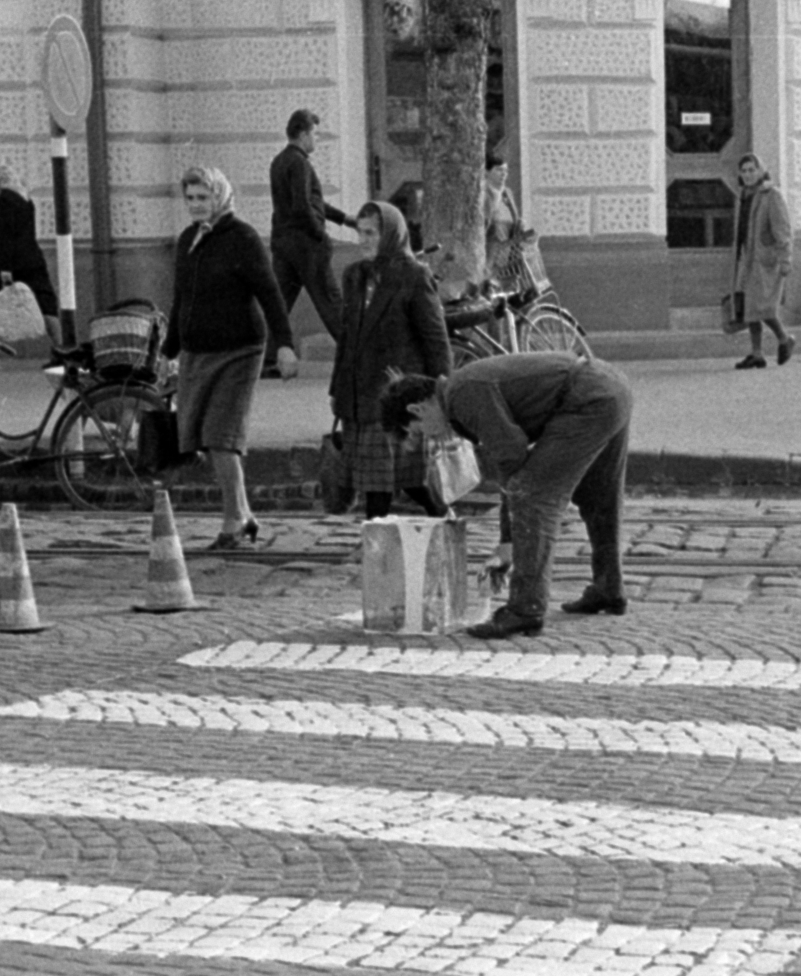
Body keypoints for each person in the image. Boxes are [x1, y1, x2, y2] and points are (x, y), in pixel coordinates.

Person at [380, 352, 631, 640]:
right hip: (610, 387)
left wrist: (507, 543)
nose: (429, 437)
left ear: (418, 409)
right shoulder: (459, 389)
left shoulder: (463, 395)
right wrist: (507, 540)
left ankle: (525, 610)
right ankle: (609, 588)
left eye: (419, 431)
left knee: (534, 498)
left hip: (588, 399)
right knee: (600, 495)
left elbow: (512, 460)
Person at [162, 165, 297, 549]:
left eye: (203, 197)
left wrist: (284, 344)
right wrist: (167, 351)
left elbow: (271, 294)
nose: (196, 205)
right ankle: (245, 514)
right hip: (198, 352)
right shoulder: (188, 239)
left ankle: (232, 523)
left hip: (239, 350)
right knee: (205, 439)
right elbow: (180, 300)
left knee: (222, 437)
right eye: (190, 198)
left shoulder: (242, 238)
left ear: (219, 196)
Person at [330, 200, 452, 520]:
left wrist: (442, 390)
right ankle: (440, 514)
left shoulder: (414, 276)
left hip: (394, 392)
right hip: (357, 392)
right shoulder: (354, 275)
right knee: (393, 476)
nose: (364, 240)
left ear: (391, 235)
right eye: (360, 232)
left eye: (372, 233)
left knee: (380, 480)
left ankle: (377, 544)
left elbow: (435, 339)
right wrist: (337, 389)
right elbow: (347, 336)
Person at [267, 108, 355, 367]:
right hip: (306, 245)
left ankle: (269, 358)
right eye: (315, 133)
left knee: (280, 302)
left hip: (283, 243)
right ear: (303, 134)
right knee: (330, 301)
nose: (317, 139)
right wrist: (320, 235)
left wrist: (344, 218)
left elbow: (312, 203)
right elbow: (305, 206)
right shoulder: (300, 163)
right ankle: (355, 355)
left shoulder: (279, 161)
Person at [0, 158, 62, 347]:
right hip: (32, 260)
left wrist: (5, 268)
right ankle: (62, 346)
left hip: (8, 265)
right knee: (45, 302)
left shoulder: (5, 201)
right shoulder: (25, 199)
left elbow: (4, 236)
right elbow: (21, 229)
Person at [730, 153, 795, 368]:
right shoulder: (744, 196)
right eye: (744, 171)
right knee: (751, 308)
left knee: (763, 307)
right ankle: (756, 353)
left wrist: (785, 258)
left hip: (766, 260)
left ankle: (785, 338)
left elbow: (783, 230)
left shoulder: (770, 195)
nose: (748, 175)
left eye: (752, 170)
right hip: (748, 259)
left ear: (760, 171)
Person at [484, 154, 523, 286]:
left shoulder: (507, 193)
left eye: (506, 171)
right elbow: (484, 223)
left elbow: (514, 220)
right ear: (487, 171)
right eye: (499, 170)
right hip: (488, 253)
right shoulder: (483, 194)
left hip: (506, 254)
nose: (503, 174)